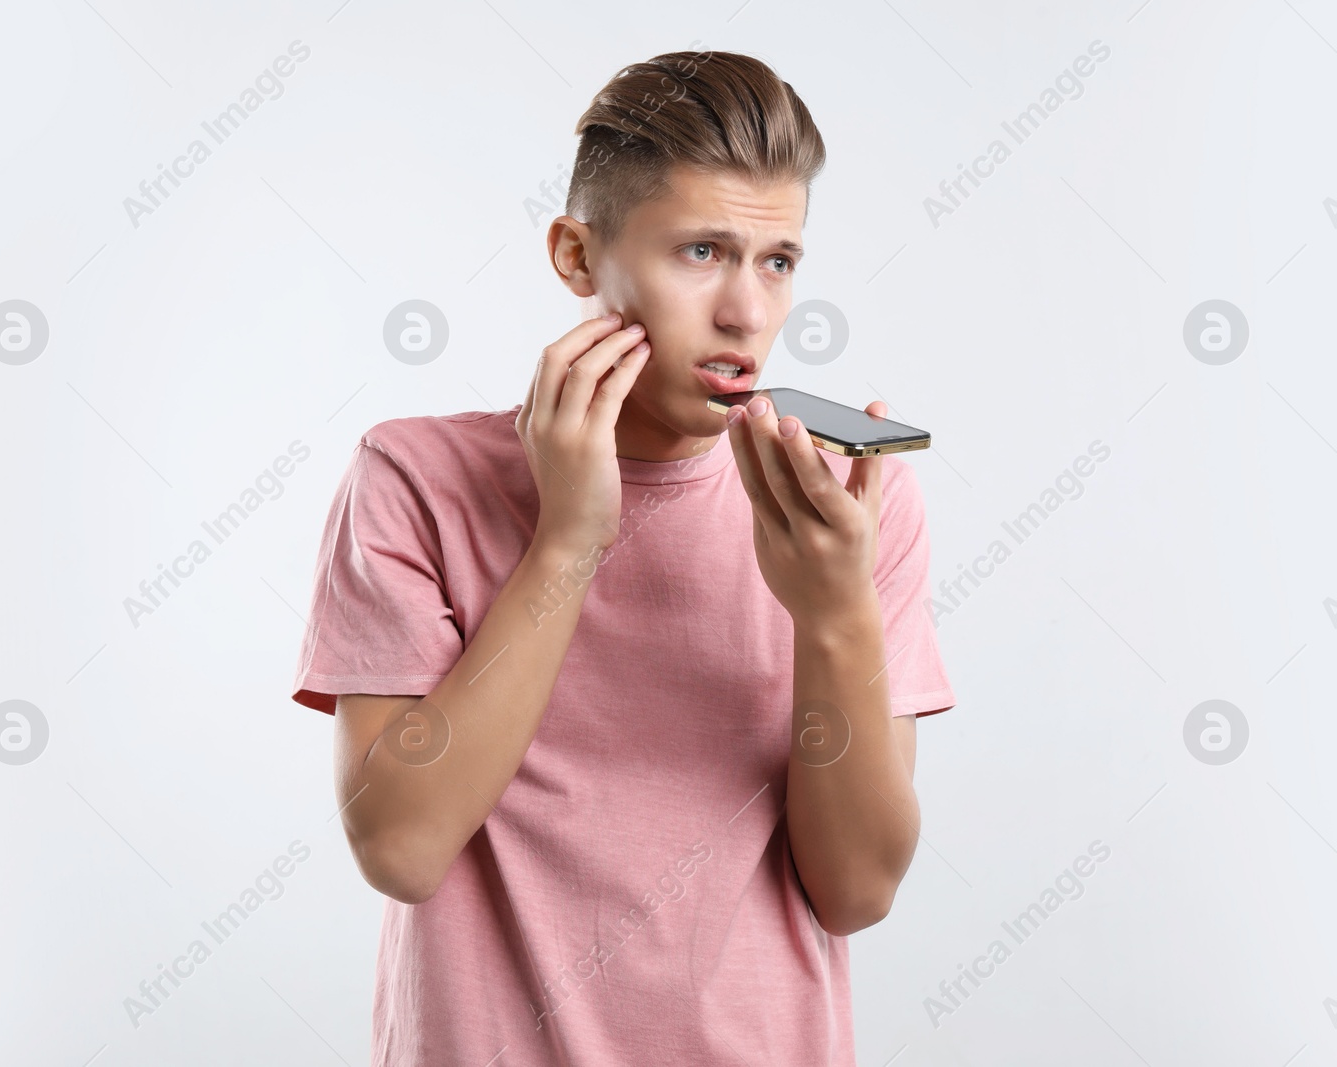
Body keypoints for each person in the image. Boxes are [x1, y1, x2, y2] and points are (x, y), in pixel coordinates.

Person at [290, 47, 956, 1066]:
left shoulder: (848, 504)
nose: (746, 313)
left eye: (776, 260)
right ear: (575, 256)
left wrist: (833, 616)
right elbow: (402, 845)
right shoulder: (416, 478)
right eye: (700, 251)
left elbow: (856, 888)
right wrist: (567, 541)